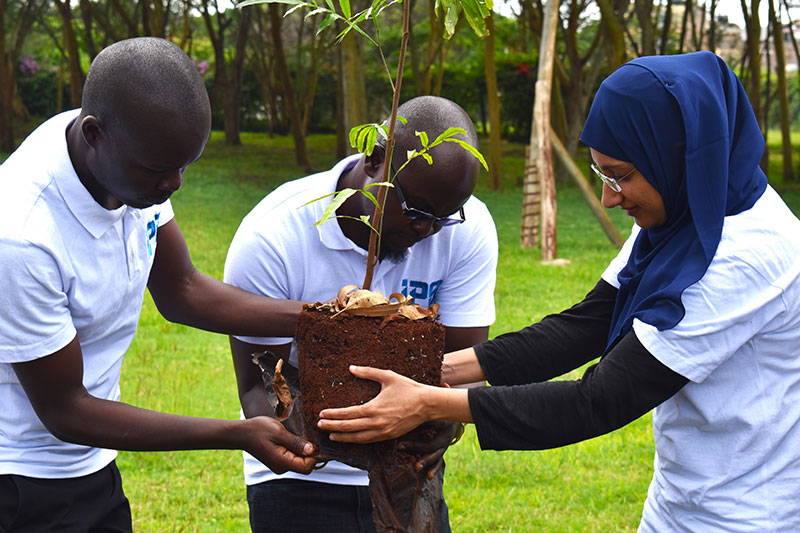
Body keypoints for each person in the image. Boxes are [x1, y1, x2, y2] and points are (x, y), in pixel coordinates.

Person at [317, 52, 800, 531]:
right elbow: (588, 325)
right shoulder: (687, 210)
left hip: (749, 515)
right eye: (602, 175)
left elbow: (599, 400)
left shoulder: (745, 259)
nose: (610, 197)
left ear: (677, 156)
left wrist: (428, 401)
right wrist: (437, 369)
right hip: (681, 502)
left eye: (622, 175)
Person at [0, 37, 318, 532]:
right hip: (21, 481)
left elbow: (182, 290)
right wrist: (235, 433)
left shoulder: (133, 156)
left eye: (184, 166)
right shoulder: (22, 235)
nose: (174, 186)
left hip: (90, 464)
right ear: (94, 134)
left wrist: (321, 319)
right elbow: (66, 410)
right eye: (160, 171)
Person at [223, 95, 498, 532]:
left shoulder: (467, 229)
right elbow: (257, 388)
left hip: (407, 467)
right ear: (374, 160)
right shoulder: (275, 235)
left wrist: (444, 420)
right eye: (416, 212)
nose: (427, 231)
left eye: (442, 218)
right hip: (303, 473)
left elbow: (467, 365)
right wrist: (328, 444)